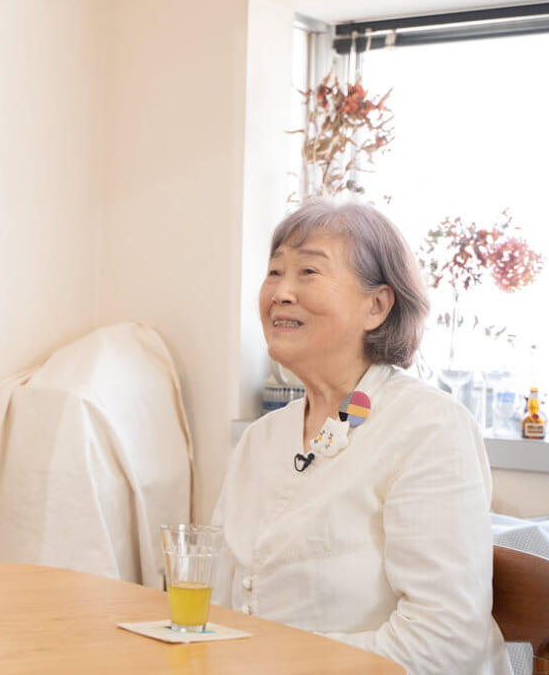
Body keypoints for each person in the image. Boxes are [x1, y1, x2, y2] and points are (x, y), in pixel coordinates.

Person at [211, 199, 511, 675]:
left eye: (308, 271)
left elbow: (445, 639)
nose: (281, 293)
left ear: (377, 306)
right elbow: (216, 606)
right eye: (274, 272)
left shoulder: (429, 427)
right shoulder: (260, 439)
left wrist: (270, 663)